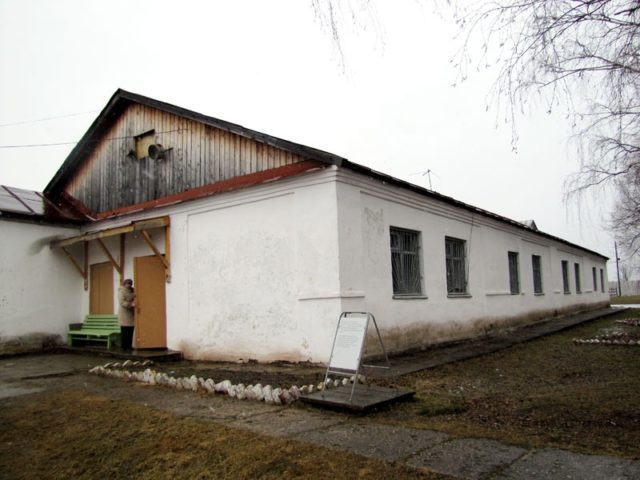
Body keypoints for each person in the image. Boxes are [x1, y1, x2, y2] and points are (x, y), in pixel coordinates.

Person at [118, 278, 136, 350]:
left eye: (130, 284)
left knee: (130, 330)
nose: (128, 285)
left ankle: (129, 346)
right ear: (124, 284)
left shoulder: (133, 290)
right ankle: (124, 346)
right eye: (127, 284)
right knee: (125, 330)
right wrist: (131, 304)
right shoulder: (121, 291)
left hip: (131, 313)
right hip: (124, 313)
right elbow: (122, 302)